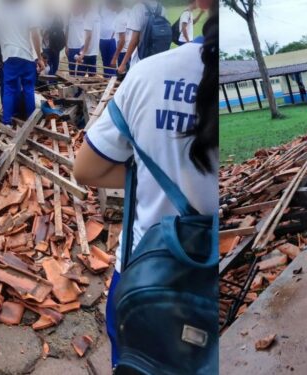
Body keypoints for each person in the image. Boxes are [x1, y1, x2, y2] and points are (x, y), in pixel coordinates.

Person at [72, 0, 218, 368]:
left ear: (199, 4)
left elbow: (85, 169)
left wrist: (148, 172)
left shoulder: (148, 77)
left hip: (145, 275)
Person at [117, 0, 167, 75]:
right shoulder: (162, 9)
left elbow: (135, 40)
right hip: (158, 57)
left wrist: (123, 64)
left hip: (141, 57)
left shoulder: (138, 8)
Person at [77, 0, 101, 75]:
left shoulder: (88, 16)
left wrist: (83, 53)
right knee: (92, 78)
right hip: (94, 52)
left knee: (79, 77)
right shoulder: (96, 15)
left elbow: (88, 36)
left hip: (86, 53)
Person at [66, 0, 88, 75]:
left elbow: (88, 34)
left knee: (81, 70)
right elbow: (67, 31)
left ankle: (79, 86)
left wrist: (84, 50)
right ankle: (72, 85)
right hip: (71, 47)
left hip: (81, 47)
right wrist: (66, 46)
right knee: (71, 69)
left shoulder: (84, 15)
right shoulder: (69, 16)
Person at [42, 6, 65, 75]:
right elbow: (40, 31)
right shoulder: (42, 17)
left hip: (55, 46)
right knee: (47, 64)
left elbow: (62, 30)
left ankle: (53, 81)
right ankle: (49, 81)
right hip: (46, 46)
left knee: (55, 64)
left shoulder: (57, 17)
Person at [99, 0, 119, 76]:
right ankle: (106, 79)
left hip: (112, 39)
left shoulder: (115, 5)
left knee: (112, 61)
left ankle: (113, 79)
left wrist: (113, 34)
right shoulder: (100, 6)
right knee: (104, 60)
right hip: (102, 39)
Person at [111, 2, 130, 71]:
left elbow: (122, 41)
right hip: (130, 50)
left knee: (122, 77)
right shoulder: (128, 11)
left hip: (123, 52)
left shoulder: (121, 18)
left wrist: (114, 58)